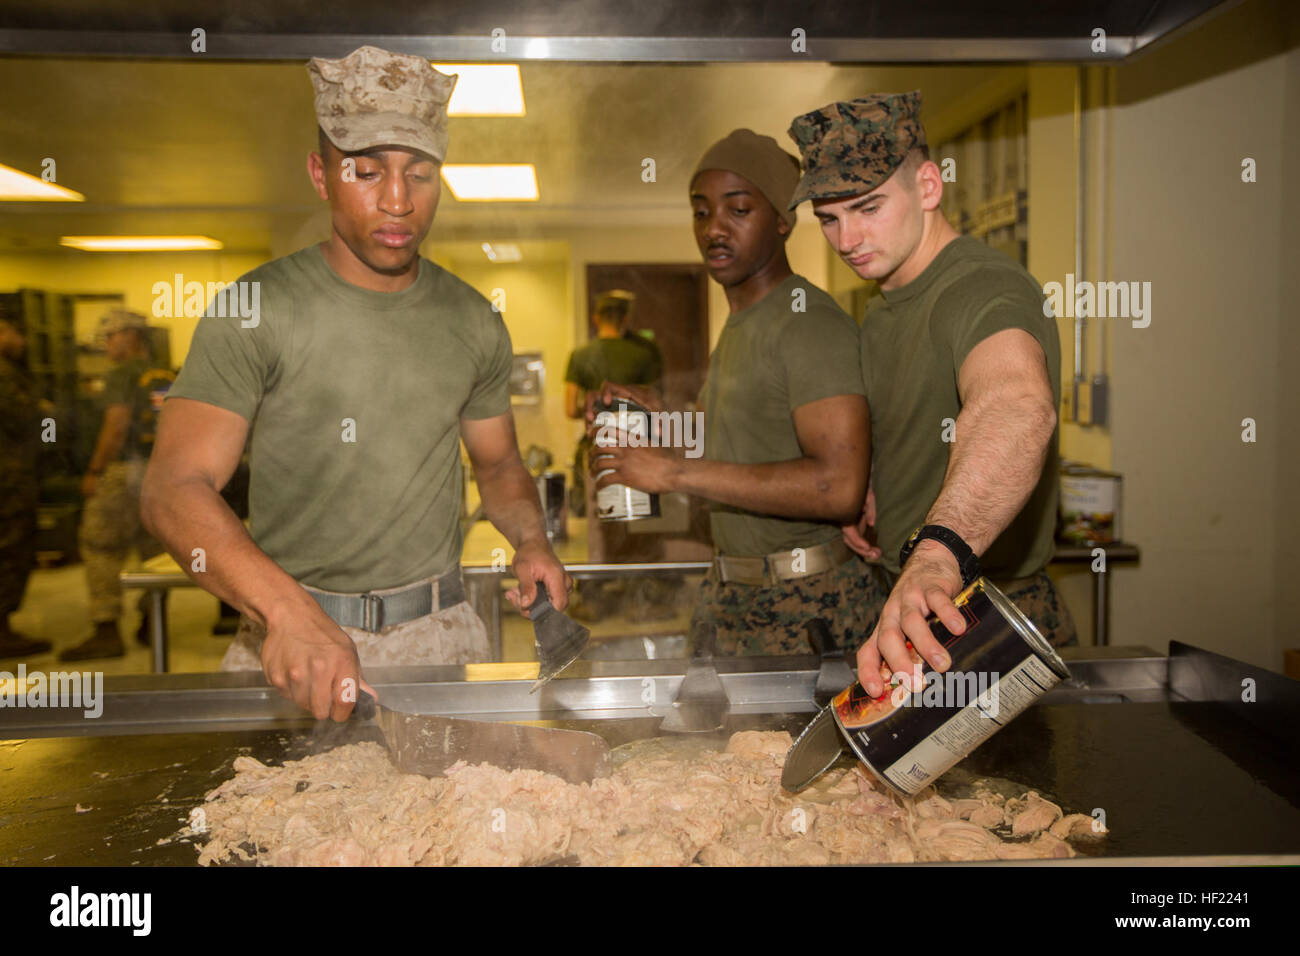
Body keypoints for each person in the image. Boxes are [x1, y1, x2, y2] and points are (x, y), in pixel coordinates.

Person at [142, 46, 569, 721]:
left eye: (419, 174)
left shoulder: (473, 320)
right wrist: (287, 614)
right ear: (321, 173)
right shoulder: (255, 310)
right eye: (366, 171)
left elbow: (500, 465)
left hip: (440, 639)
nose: (397, 200)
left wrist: (533, 540)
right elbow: (172, 489)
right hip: (290, 642)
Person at [786, 91, 1076, 698]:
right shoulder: (880, 307)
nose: (846, 238)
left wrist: (936, 553)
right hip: (907, 598)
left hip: (986, 614)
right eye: (830, 218)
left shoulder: (981, 287)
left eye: (867, 208)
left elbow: (1015, 406)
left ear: (928, 186)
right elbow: (916, 420)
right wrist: (877, 492)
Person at [589, 128, 886, 655]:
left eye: (738, 209)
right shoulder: (743, 324)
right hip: (735, 594)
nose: (714, 229)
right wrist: (662, 418)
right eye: (701, 212)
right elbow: (738, 445)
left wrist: (671, 472)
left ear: (782, 219)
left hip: (808, 607)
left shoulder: (807, 324)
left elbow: (838, 484)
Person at [60, 309, 168, 661]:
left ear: (132, 337)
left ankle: (106, 629)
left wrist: (94, 470)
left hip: (123, 472)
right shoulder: (164, 374)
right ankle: (152, 621)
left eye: (111, 336)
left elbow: (116, 425)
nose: (106, 344)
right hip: (160, 475)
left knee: (101, 545)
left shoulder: (121, 375)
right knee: (155, 553)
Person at [564, 290, 666, 621]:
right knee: (641, 523)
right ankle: (642, 596)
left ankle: (597, 595)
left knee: (599, 525)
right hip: (640, 447)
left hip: (598, 450)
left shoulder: (580, 355)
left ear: (596, 319)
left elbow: (570, 408)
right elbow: (657, 403)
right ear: (625, 319)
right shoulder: (645, 353)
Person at [0, 313, 50, 658]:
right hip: (8, 481)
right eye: (15, 333)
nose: (22, 341)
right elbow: (29, 418)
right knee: (10, 550)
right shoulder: (5, 374)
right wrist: (48, 413)